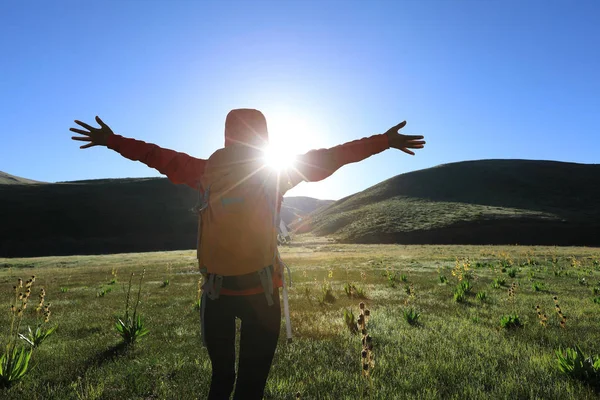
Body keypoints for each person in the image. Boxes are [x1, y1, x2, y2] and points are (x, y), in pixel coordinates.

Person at [70, 109, 425, 399]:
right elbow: (335, 156)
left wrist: (110, 140)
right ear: (264, 138)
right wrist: (385, 141)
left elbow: (153, 155)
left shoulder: (203, 171)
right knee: (250, 388)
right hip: (263, 292)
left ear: (227, 136)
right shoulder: (277, 173)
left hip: (216, 292)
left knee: (222, 378)